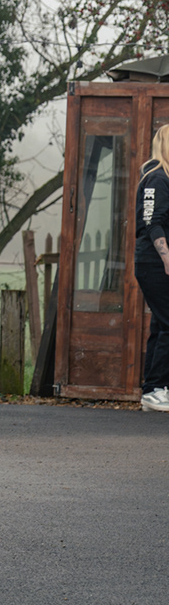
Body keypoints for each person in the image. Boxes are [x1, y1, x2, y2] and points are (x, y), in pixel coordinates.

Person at [138, 125, 169, 412]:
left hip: (157, 263)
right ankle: (155, 388)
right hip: (154, 262)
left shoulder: (163, 178)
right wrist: (166, 256)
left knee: (160, 324)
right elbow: (152, 221)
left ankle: (152, 389)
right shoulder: (156, 178)